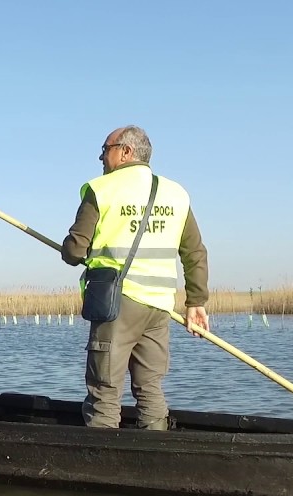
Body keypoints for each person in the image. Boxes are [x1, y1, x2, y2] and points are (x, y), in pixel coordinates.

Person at [60, 125, 210, 430]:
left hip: (117, 303)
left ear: (125, 152)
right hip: (159, 307)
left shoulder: (101, 189)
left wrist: (69, 249)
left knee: (104, 388)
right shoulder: (175, 194)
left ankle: (101, 461)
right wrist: (196, 302)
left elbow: (75, 251)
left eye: (106, 149)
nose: (101, 158)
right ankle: (155, 456)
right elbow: (194, 251)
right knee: (150, 387)